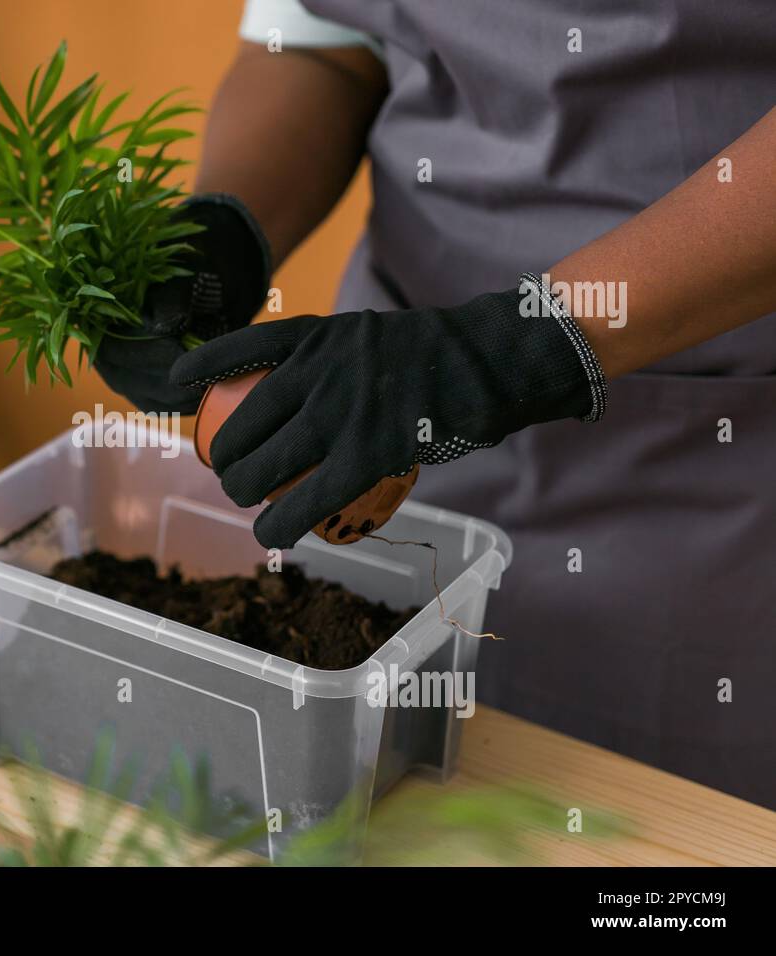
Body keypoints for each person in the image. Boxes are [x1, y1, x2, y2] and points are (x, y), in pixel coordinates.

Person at [94, 0, 776, 808]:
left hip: (706, 462)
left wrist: (512, 350)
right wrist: (223, 229)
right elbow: (327, 41)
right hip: (388, 404)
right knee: (382, 796)